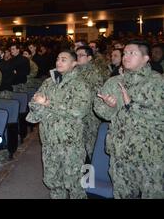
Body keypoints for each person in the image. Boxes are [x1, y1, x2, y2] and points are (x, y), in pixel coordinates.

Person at [94, 40, 164, 198]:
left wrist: (131, 105)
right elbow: (101, 111)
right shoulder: (114, 82)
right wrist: (108, 106)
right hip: (120, 153)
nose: (126, 56)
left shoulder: (157, 82)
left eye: (132, 53)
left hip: (150, 154)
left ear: (146, 58)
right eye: (125, 53)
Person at [27, 50, 91, 199]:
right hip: (49, 141)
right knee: (53, 182)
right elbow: (34, 104)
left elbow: (79, 110)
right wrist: (38, 104)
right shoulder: (49, 82)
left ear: (74, 63)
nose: (58, 62)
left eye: (64, 59)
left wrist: (48, 103)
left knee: (75, 183)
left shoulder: (81, 85)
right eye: (57, 59)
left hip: (70, 143)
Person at [75, 46, 104, 160]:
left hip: (90, 114)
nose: (78, 57)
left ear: (89, 58)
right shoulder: (75, 70)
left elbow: (96, 94)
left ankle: (92, 171)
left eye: (81, 55)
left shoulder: (94, 72)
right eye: (77, 55)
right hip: (78, 113)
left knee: (90, 144)